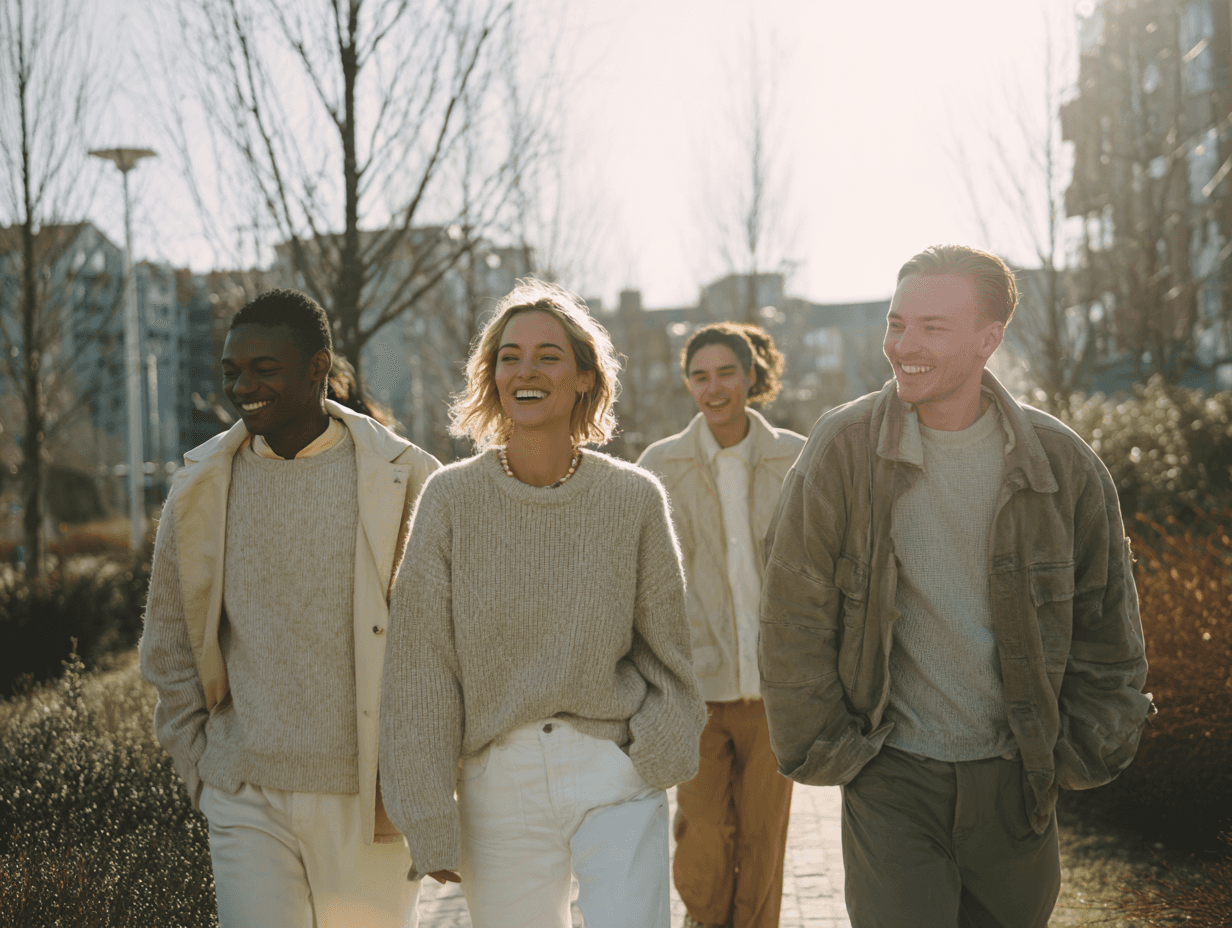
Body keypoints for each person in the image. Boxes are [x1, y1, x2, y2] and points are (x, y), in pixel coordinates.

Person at [759, 245, 1153, 928]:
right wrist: (833, 747)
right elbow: (794, 607)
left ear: (988, 339)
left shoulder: (1062, 463)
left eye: (931, 328)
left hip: (1017, 778)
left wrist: (1077, 750)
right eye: (895, 323)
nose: (902, 346)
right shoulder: (842, 447)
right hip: (893, 775)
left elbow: (1107, 618)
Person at [378, 279, 707, 928]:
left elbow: (669, 656)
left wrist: (655, 756)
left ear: (585, 377)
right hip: (498, 785)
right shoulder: (450, 501)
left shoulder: (632, 499)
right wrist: (426, 810)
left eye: (549, 355)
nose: (525, 370)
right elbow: (420, 669)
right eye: (509, 355)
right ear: (491, 375)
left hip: (613, 770)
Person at [139, 288, 440, 928]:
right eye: (231, 372)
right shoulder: (198, 489)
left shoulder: (407, 478)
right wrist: (204, 771)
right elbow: (168, 647)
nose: (242, 386)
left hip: (370, 802)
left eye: (263, 369)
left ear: (317, 367)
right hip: (245, 792)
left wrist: (428, 780)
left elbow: (445, 645)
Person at [637, 322, 804, 928]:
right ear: (689, 385)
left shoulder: (796, 457)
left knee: (763, 841)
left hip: (775, 691)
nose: (714, 388)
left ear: (752, 375)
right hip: (695, 692)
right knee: (703, 836)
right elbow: (647, 582)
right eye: (700, 376)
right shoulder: (660, 465)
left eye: (727, 373)